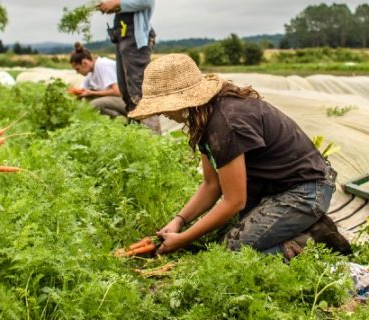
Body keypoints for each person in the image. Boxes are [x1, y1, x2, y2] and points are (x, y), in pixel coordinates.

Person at [128, 54, 351, 259]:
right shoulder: (205, 119)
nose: (162, 113)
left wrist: (185, 239)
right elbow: (211, 185)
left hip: (304, 191)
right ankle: (301, 226)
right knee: (215, 242)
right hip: (274, 190)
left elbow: (234, 201)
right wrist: (179, 221)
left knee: (228, 255)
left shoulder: (226, 123)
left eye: (163, 107)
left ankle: (313, 239)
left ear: (181, 100)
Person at [98, 0, 160, 131]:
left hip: (135, 40)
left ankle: (153, 139)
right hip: (123, 37)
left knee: (138, 93)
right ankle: (136, 135)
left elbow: (146, 2)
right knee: (126, 93)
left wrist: (117, 4)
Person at [68, 42, 126, 119]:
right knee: (88, 99)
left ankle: (124, 119)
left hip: (126, 100)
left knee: (94, 104)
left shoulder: (103, 65)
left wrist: (92, 93)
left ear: (84, 63)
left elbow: (117, 91)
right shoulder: (90, 73)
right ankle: (118, 118)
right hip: (115, 100)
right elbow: (82, 91)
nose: (77, 72)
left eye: (77, 69)